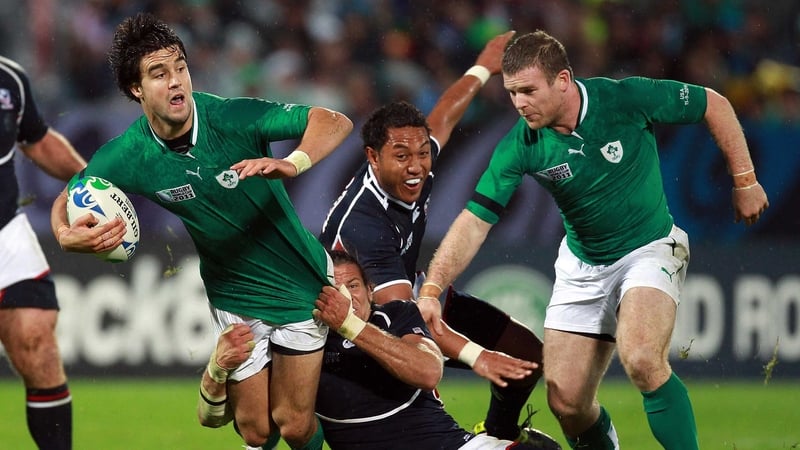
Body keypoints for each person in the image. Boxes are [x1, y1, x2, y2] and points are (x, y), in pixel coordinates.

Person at [417, 30, 770, 450]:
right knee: (566, 403)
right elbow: (474, 221)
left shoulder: (624, 99)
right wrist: (434, 287)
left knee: (640, 357)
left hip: (649, 247)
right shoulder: (521, 144)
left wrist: (745, 180)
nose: (519, 103)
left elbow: (715, 103)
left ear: (562, 80)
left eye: (528, 90)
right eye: (512, 93)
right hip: (583, 265)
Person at [50, 13, 353, 450]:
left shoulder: (231, 118)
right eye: (159, 73)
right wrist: (64, 233)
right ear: (136, 89)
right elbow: (70, 193)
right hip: (232, 294)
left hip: (298, 282)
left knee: (292, 422)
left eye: (180, 67)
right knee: (255, 429)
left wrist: (293, 162)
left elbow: (334, 120)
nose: (176, 82)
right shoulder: (128, 154)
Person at [319, 31, 546, 442]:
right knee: (430, 380)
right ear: (373, 157)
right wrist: (477, 356)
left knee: (527, 353)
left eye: (423, 153)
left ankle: (497, 432)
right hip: (373, 322)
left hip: (415, 294)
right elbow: (407, 317)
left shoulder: (411, 160)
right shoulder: (365, 229)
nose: (417, 167)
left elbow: (442, 117)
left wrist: (481, 68)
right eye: (403, 157)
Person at [199, 250, 561, 450]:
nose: (347, 296)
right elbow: (242, 429)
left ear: (371, 290)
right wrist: (217, 370)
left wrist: (351, 326)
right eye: (335, 288)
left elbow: (427, 371)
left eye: (354, 285)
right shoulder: (300, 345)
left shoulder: (398, 315)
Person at [0, 55, 86, 450]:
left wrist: (89, 178)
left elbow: (36, 139)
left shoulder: (9, 78)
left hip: (5, 231)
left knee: (38, 342)